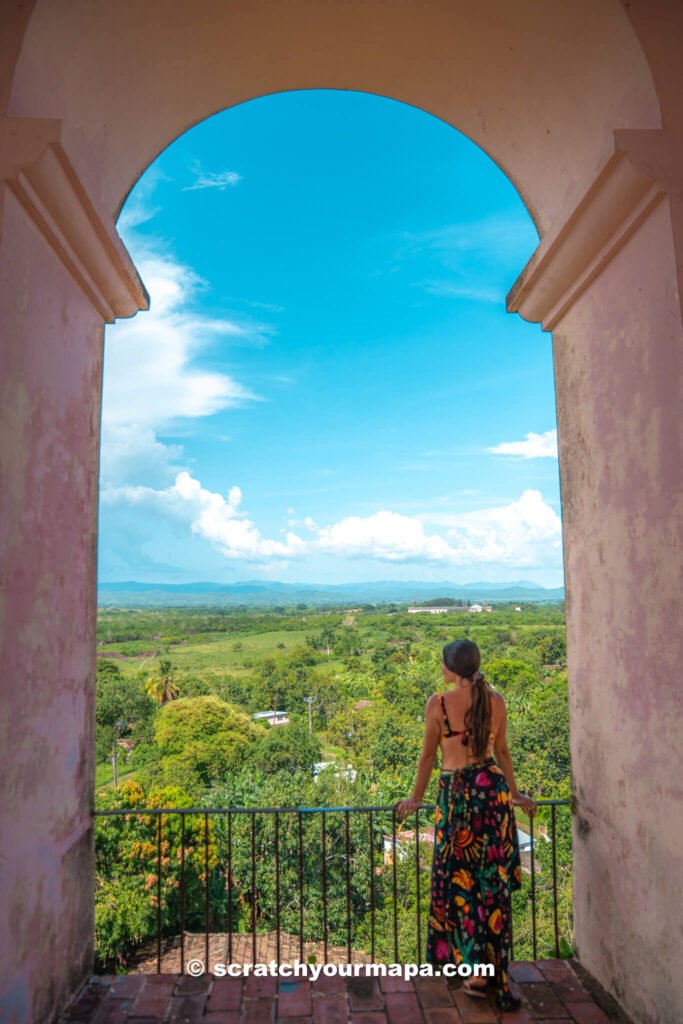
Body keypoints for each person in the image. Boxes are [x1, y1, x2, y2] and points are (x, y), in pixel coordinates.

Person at [395, 638, 536, 1012]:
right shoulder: (496, 700)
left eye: (444, 664)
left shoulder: (439, 704)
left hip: (456, 799)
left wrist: (414, 798)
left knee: (460, 884)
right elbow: (501, 751)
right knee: (491, 888)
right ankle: (496, 976)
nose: (442, 669)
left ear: (452, 669)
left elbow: (428, 756)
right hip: (491, 797)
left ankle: (473, 971)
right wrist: (516, 794)